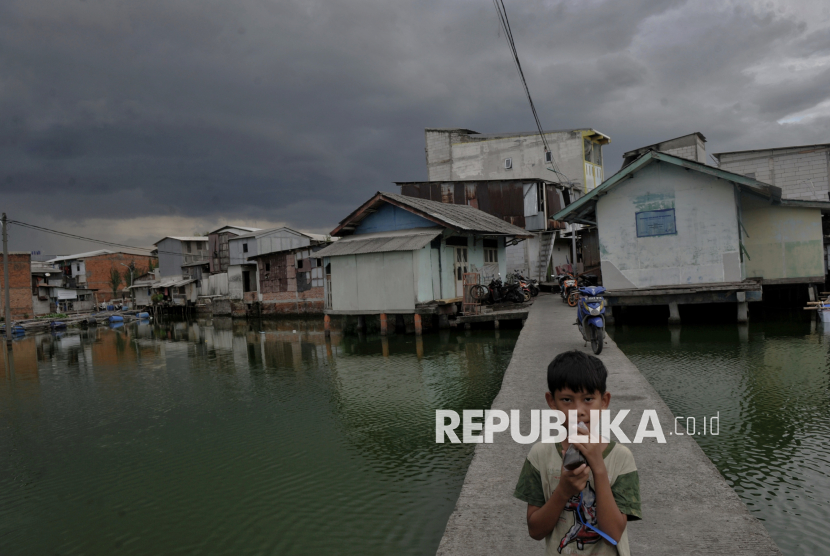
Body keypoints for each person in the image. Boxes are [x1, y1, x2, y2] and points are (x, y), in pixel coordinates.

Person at [513, 350, 641, 555]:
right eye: (566, 400)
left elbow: (614, 533)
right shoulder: (539, 456)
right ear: (551, 401)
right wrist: (564, 490)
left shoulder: (621, 458)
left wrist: (599, 469)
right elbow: (535, 531)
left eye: (588, 399)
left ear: (604, 401)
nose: (578, 410)